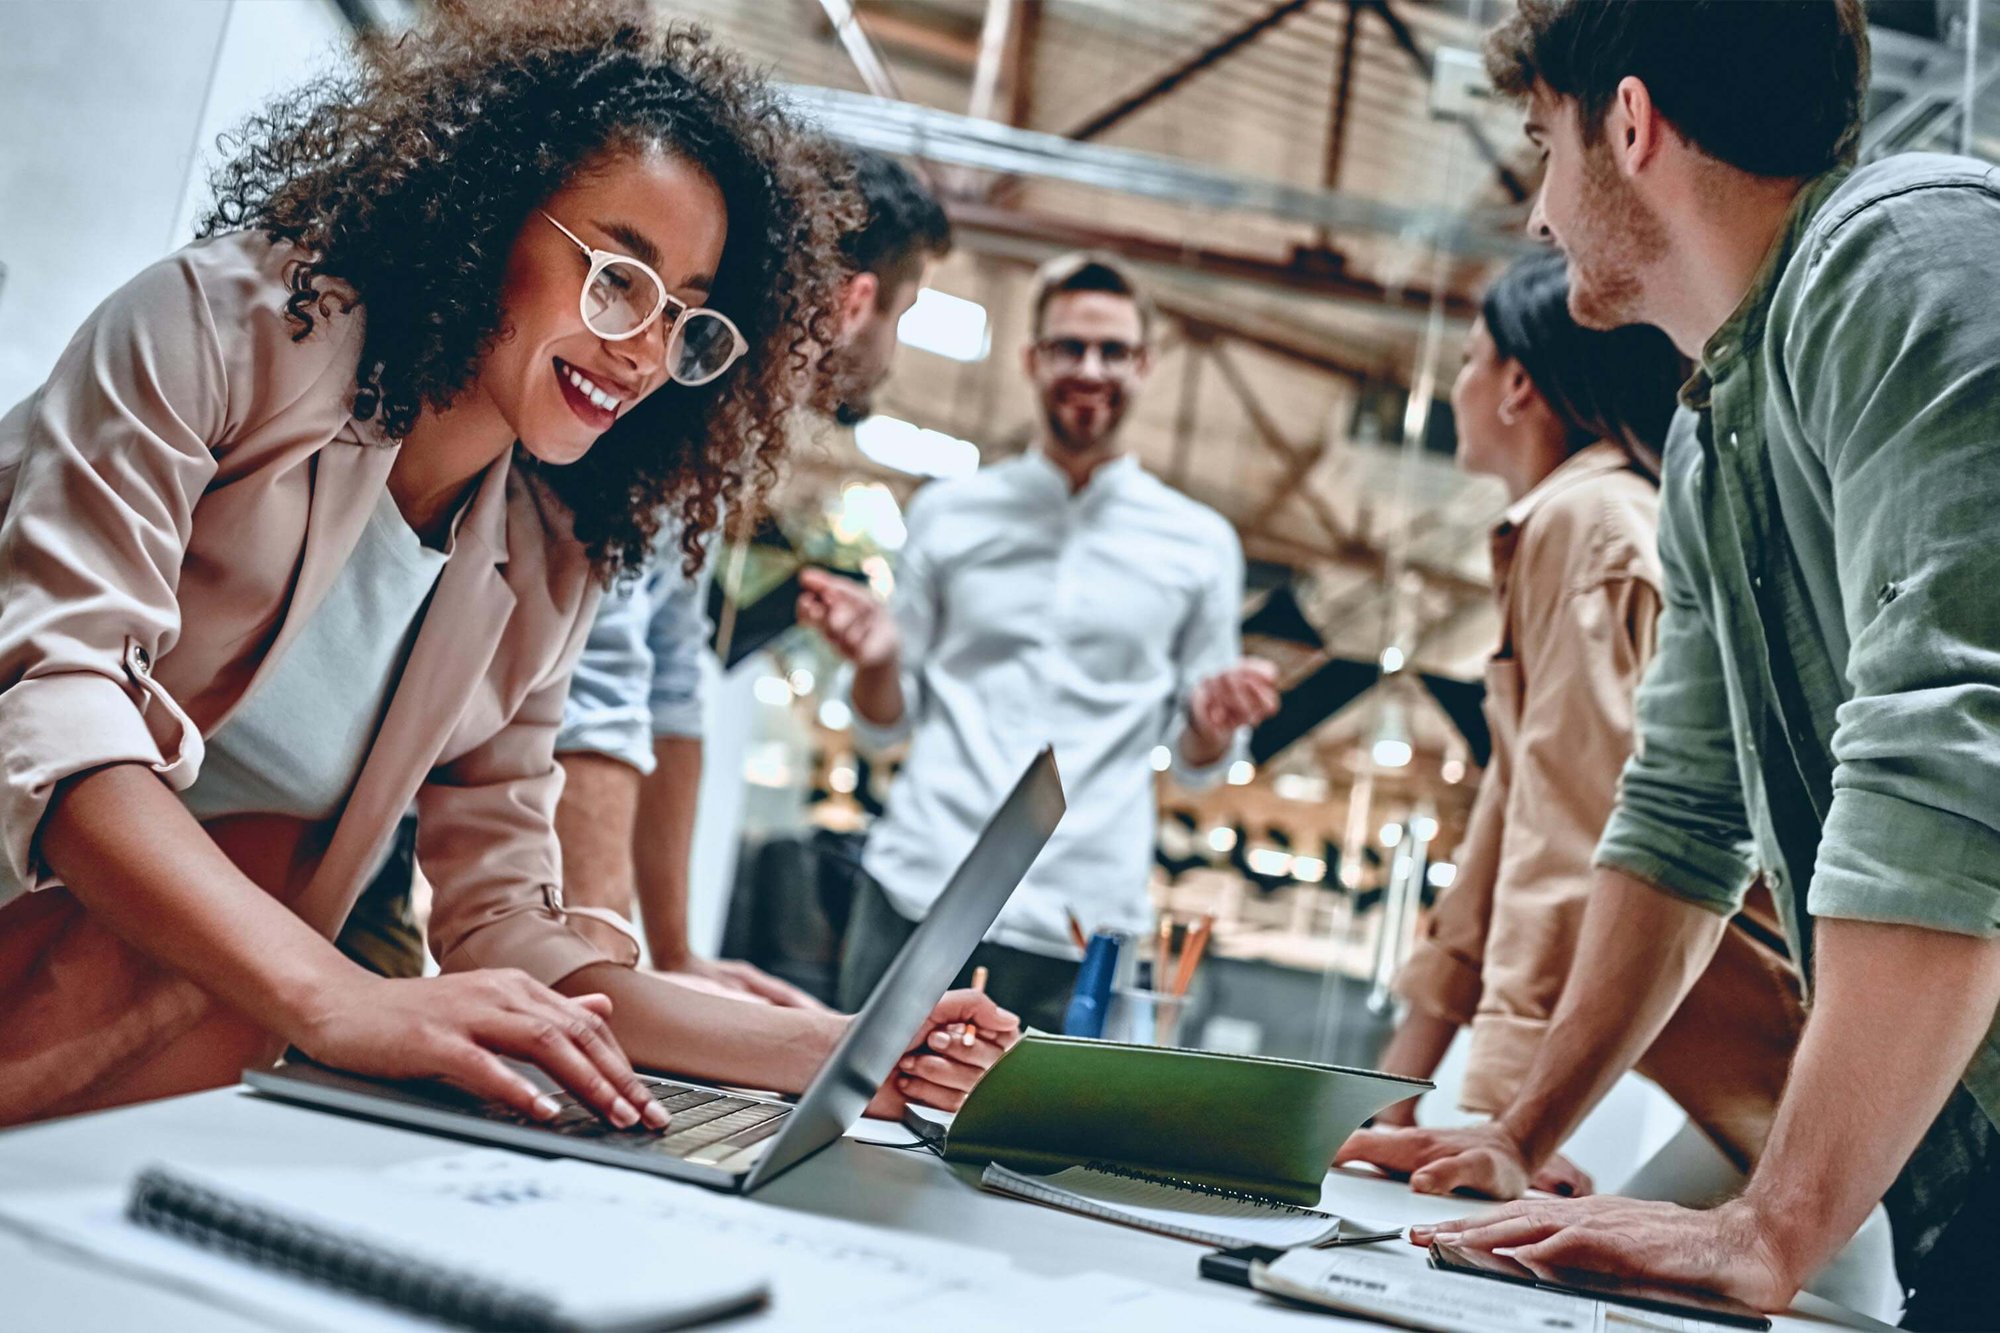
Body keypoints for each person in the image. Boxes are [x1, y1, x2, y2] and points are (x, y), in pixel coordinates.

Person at [0, 3, 1011, 1131]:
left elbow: (508, 928)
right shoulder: (215, 330)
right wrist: (339, 999)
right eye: (618, 277)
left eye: (685, 317)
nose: (640, 350)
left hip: (149, 1026)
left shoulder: (545, 556)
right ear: (482, 213)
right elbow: (54, 715)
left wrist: (851, 1042)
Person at [1375, 4, 2000, 1327]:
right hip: (1960, 1165)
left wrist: (1771, 1226)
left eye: (1545, 146)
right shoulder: (1718, 434)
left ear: (1632, 124)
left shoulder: (1914, 257)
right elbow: (1679, 817)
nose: (1540, 216)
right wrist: (1521, 1129)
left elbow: (1954, 767)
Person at [1339, 251, 1803, 1201]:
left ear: (1518, 384)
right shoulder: (1573, 523)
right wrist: (1396, 1089)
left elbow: (1576, 829)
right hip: (1738, 1063)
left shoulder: (1588, 525)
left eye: (1469, 359)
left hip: (1773, 1053)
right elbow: (1502, 837)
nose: (1458, 384)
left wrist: (1509, 1123)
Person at [800, 253, 1281, 1033]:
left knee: (1039, 1152)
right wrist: (880, 661)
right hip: (922, 887)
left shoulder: (1202, 545)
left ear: (1146, 365)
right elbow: (884, 721)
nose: (1090, 369)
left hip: (1085, 918)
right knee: (855, 1126)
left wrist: (1213, 722)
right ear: (1031, 359)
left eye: (1113, 350)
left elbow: (1200, 767)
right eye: (1068, 347)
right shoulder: (949, 513)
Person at [546, 149, 952, 1006]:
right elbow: (605, 676)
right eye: (904, 314)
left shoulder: (726, 433)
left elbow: (670, 675)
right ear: (856, 302)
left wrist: (674, 952)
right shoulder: (676, 391)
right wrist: (611, 977)